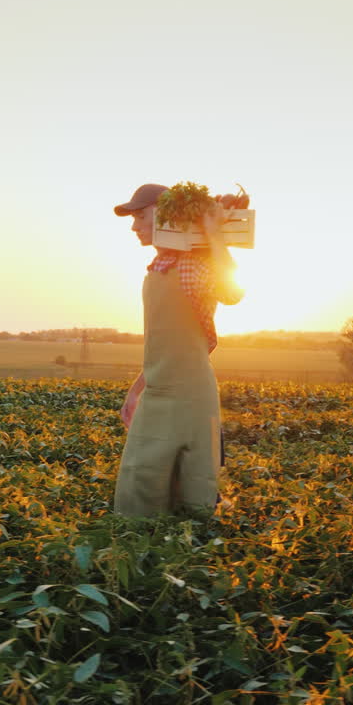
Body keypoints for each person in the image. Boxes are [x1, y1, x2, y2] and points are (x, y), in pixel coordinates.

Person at [112, 183, 244, 518]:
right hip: (158, 390)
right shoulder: (157, 270)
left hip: (190, 393)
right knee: (138, 486)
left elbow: (231, 293)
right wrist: (136, 389)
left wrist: (213, 235)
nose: (133, 225)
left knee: (193, 489)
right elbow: (165, 344)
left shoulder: (193, 266)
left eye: (140, 215)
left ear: (165, 214)